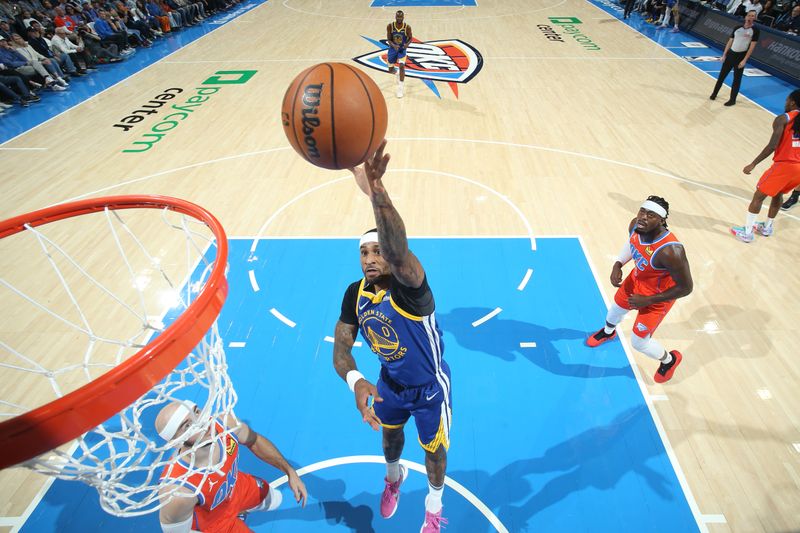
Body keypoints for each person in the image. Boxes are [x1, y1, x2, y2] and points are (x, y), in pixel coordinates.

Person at [333, 140, 450, 532]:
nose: (370, 259)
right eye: (363, 253)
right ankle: (394, 478)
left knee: (434, 454)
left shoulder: (410, 288)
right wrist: (356, 380)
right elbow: (342, 349)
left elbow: (400, 253)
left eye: (377, 251)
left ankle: (433, 507)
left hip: (429, 387)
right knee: (389, 441)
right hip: (390, 384)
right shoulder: (355, 293)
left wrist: (376, 190)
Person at [155, 400, 308, 532]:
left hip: (237, 487)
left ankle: (240, 511)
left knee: (276, 499)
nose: (200, 422)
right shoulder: (178, 491)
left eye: (197, 412)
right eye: (187, 425)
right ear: (177, 441)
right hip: (215, 524)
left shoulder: (225, 423)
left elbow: (254, 440)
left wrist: (289, 471)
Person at [586, 196, 693, 384]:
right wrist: (618, 264)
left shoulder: (671, 251)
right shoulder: (636, 225)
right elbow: (632, 243)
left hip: (657, 298)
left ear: (661, 220)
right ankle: (609, 332)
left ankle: (669, 360)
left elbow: (686, 288)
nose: (643, 217)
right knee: (615, 309)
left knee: (639, 343)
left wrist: (649, 300)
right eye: (642, 211)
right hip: (636, 282)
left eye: (650, 215)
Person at [731, 89, 800, 242]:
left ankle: (747, 233)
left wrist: (753, 163)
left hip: (785, 165)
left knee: (759, 196)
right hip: (799, 169)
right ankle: (767, 227)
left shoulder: (783, 119)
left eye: (787, 100)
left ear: (793, 102)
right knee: (778, 194)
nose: (785, 102)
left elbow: (772, 146)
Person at [709, 10, 759, 107]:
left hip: (740, 56)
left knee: (736, 79)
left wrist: (744, 60)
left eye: (753, 16)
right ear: (746, 17)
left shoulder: (755, 30)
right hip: (730, 55)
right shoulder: (737, 28)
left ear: (755, 18)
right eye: (749, 15)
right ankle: (714, 94)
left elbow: (752, 47)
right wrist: (724, 55)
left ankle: (732, 100)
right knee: (721, 76)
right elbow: (730, 41)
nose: (750, 17)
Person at [386, 10, 411, 99]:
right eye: (398, 17)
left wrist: (406, 45)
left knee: (401, 66)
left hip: (401, 50)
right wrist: (393, 45)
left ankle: (400, 88)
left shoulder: (407, 27)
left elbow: (410, 38)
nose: (399, 18)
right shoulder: (390, 26)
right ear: (395, 17)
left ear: (403, 17)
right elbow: (389, 39)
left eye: (401, 17)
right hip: (393, 49)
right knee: (390, 70)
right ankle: (397, 74)